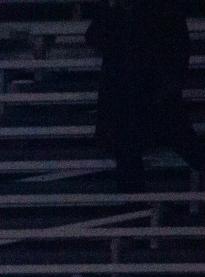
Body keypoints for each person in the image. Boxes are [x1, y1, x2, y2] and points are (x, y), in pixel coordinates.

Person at [87, 0, 205, 193]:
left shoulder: (163, 10)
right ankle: (135, 207)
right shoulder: (119, 12)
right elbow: (94, 37)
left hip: (149, 94)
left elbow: (179, 49)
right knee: (129, 150)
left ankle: (135, 208)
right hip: (131, 97)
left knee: (181, 143)